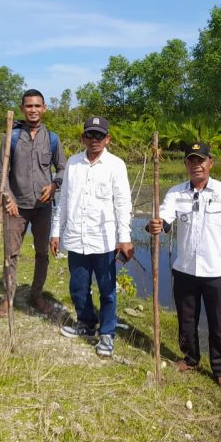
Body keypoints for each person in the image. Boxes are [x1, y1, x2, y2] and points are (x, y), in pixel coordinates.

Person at [146, 142, 221, 392]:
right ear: (186, 165)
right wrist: (157, 224)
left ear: (210, 163)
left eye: (201, 160)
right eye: (192, 161)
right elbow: (164, 217)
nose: (197, 165)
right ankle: (191, 358)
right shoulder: (175, 193)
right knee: (186, 319)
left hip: (217, 271)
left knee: (219, 323)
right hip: (184, 269)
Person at [50, 116, 133, 358]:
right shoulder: (73, 164)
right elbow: (63, 201)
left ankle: (107, 333)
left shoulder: (116, 165)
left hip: (104, 240)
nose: (94, 140)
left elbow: (122, 203)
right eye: (90, 135)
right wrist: (56, 231)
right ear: (83, 138)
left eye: (100, 136)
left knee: (107, 290)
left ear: (108, 139)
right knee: (78, 287)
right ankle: (86, 323)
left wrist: (124, 238)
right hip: (76, 237)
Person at [0, 89, 66, 317]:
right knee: (11, 254)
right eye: (29, 106)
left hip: (42, 208)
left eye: (37, 106)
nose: (33, 110)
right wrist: (9, 197)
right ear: (22, 108)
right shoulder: (12, 137)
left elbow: (62, 168)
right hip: (16, 207)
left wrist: (55, 185)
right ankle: (8, 296)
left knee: (42, 254)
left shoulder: (53, 138)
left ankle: (36, 294)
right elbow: (2, 172)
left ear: (44, 108)